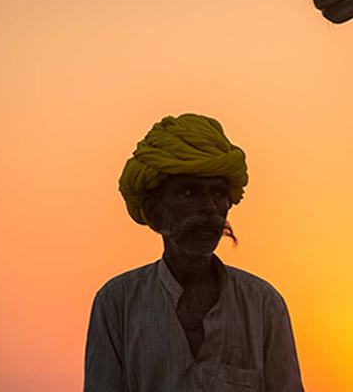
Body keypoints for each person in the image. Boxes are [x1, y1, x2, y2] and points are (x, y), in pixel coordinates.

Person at [84, 113, 305, 391]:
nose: (209, 208)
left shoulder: (263, 306)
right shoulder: (117, 304)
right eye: (190, 193)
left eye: (217, 194)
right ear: (154, 210)